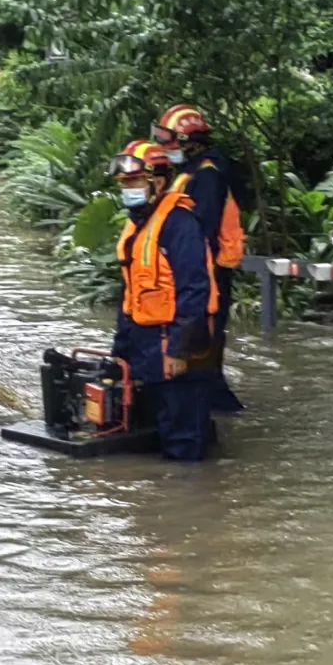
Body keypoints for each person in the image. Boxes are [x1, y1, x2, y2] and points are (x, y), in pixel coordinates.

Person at [109, 141, 219, 462]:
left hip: (173, 342)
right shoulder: (139, 222)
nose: (128, 190)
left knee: (183, 435)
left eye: (134, 182)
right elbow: (131, 294)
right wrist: (120, 353)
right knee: (155, 426)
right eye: (124, 184)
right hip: (144, 342)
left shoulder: (180, 224)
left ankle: (190, 500)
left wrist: (178, 350)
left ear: (157, 182)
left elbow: (194, 290)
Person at [152, 105, 246, 414]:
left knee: (204, 341)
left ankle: (213, 409)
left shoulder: (207, 175)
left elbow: (201, 228)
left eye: (169, 140)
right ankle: (209, 404)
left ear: (188, 140)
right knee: (201, 343)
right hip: (200, 268)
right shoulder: (192, 170)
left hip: (208, 271)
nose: (165, 147)